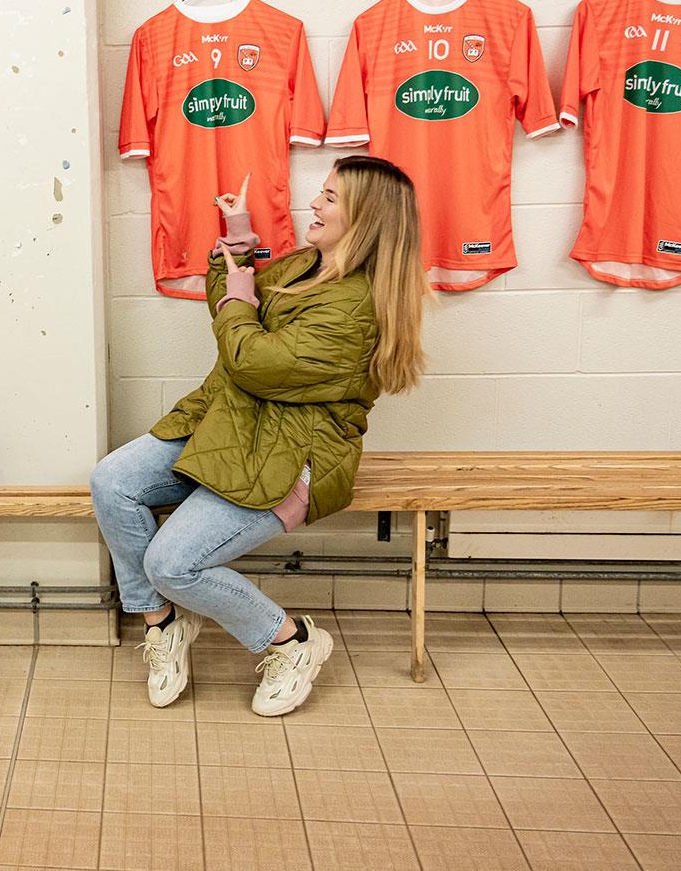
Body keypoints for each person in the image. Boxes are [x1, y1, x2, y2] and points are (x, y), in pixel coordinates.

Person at [91, 156, 428, 717]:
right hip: (233, 422)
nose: (314, 204)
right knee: (114, 481)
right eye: (320, 193)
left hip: (292, 450)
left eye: (330, 197)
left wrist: (241, 301)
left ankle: (291, 641)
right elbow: (234, 301)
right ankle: (164, 622)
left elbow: (250, 358)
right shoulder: (307, 265)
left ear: (366, 219)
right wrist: (239, 243)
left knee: (173, 564)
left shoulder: (355, 309)